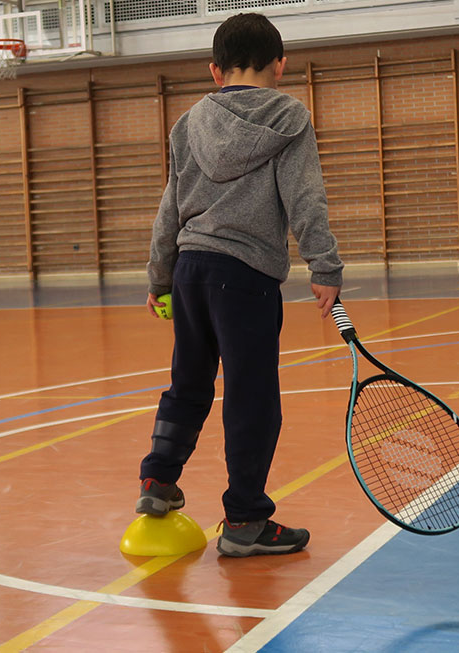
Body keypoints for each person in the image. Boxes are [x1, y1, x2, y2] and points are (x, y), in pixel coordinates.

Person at [136, 12, 342, 557]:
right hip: (244, 277)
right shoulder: (289, 117)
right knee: (251, 398)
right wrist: (325, 268)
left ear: (214, 70)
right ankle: (246, 519)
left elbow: (169, 209)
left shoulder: (188, 122)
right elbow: (306, 199)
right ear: (280, 63)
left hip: (189, 270)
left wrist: (159, 276)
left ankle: (157, 480)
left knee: (188, 384)